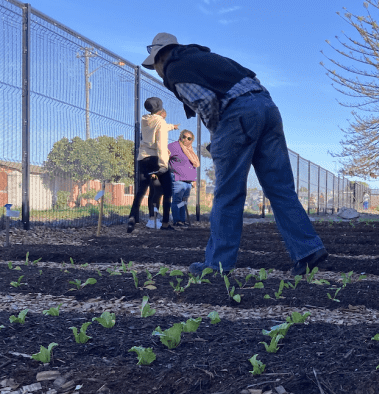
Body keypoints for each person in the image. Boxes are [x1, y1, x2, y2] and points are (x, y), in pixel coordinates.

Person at [141, 32, 327, 274]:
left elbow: (206, 101)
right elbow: (253, 80)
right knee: (280, 188)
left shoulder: (175, 67)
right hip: (267, 107)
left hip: (237, 114)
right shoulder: (206, 58)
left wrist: (218, 136)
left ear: (160, 57)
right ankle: (308, 250)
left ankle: (216, 265)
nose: (156, 70)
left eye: (154, 65)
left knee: (228, 193)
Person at [127, 97, 175, 232]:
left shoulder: (145, 119)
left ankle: (131, 219)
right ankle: (165, 223)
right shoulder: (160, 122)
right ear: (160, 107)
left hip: (143, 158)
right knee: (167, 191)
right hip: (155, 158)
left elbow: (161, 128)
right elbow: (161, 144)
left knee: (141, 191)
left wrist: (172, 126)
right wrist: (163, 164)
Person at [168, 128, 200, 227]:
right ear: (180, 137)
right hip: (178, 178)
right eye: (184, 137)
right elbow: (164, 156)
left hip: (188, 181)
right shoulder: (174, 146)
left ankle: (182, 219)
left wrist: (194, 180)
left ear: (191, 141)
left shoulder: (190, 151)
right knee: (177, 200)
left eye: (189, 138)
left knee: (183, 201)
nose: (186, 139)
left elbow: (193, 167)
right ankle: (177, 220)